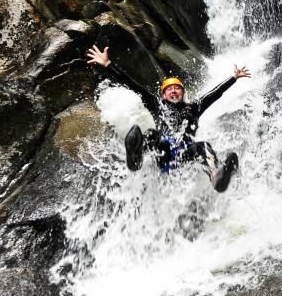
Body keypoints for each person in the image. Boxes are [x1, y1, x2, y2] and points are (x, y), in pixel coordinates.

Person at [86, 45, 250, 192]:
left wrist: (233, 78)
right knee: (150, 134)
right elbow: (131, 84)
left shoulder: (194, 108)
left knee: (203, 146)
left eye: (177, 89)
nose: (173, 91)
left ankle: (216, 177)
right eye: (169, 89)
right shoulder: (157, 105)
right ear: (163, 94)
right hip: (163, 153)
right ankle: (135, 160)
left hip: (185, 155)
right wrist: (108, 65)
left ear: (182, 93)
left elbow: (215, 94)